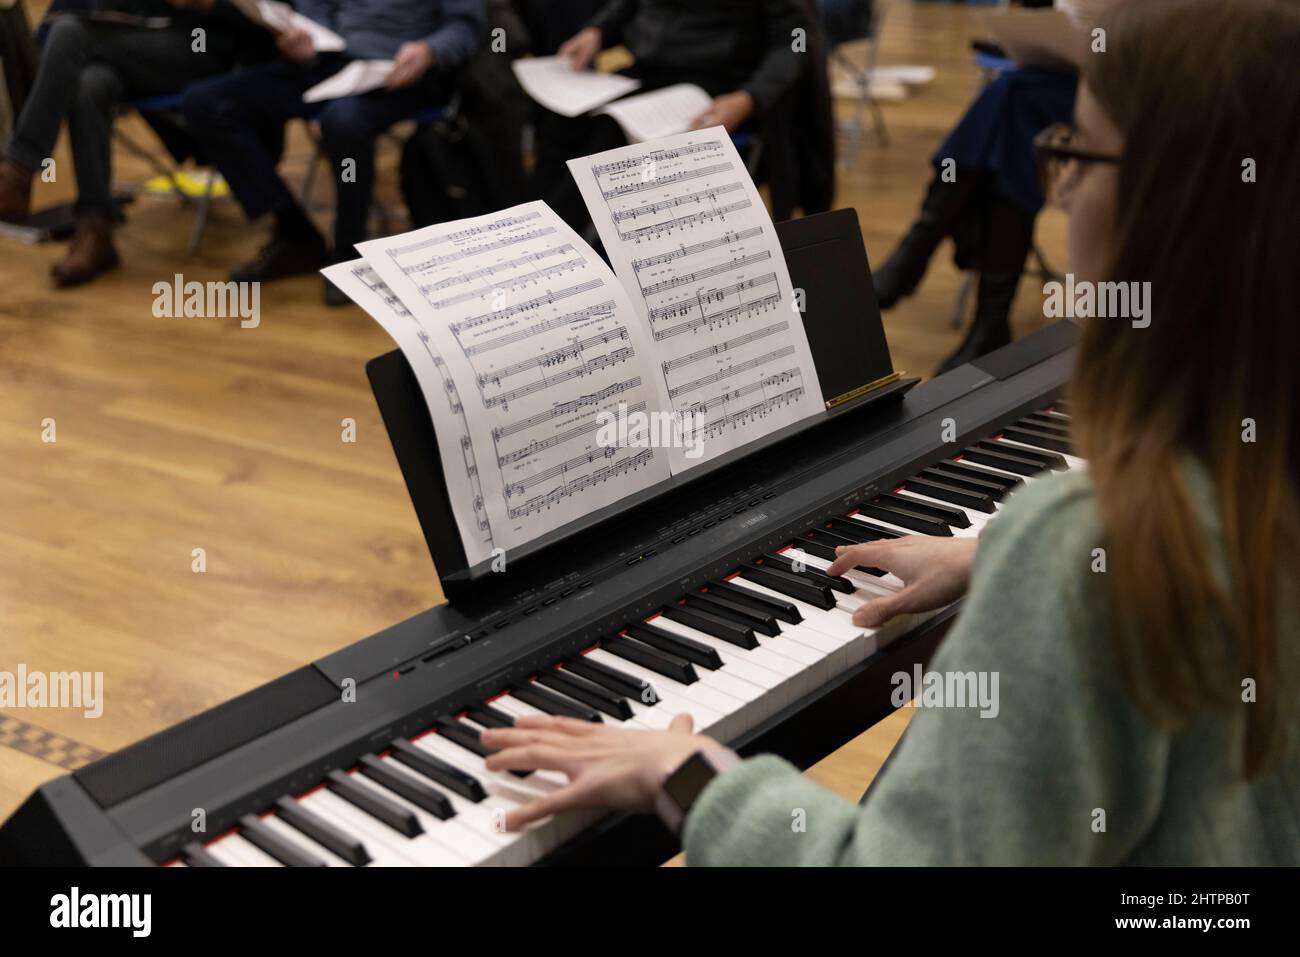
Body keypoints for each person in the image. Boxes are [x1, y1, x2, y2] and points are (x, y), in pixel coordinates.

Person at [474, 0, 1300, 865]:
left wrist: (688, 776)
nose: (1059, 187)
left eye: (1076, 153)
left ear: (1173, 208)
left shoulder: (1088, 551)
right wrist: (999, 563)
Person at [872, 0, 1124, 374]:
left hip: (1124, 94)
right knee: (1013, 119)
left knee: (1012, 101)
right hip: (1060, 78)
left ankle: (922, 242)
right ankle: (989, 319)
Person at [180, 0, 486, 305]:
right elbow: (314, 18)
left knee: (344, 121)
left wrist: (430, 50)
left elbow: (466, 26)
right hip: (331, 66)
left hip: (404, 71)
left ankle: (350, 250)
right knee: (205, 103)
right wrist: (302, 49)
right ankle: (295, 233)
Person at [0, 0, 274, 286]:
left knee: (71, 34)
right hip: (148, 34)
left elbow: (261, 16)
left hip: (205, 46)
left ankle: (19, 173)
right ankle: (95, 227)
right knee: (90, 84)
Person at [531, 0, 827, 231]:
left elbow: (793, 43)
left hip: (720, 86)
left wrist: (748, 98)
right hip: (647, 74)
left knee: (611, 140)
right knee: (564, 123)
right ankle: (530, 229)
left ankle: (557, 243)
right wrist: (598, 30)